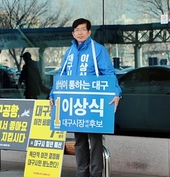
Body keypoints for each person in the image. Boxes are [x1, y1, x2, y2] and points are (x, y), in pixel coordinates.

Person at [49, 18, 122, 177]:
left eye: (83, 29)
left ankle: (96, 173)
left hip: (93, 102)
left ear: (89, 32)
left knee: (95, 141)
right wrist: (53, 95)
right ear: (72, 33)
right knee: (79, 140)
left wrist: (116, 93)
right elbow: (63, 75)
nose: (79, 33)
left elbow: (109, 73)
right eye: (76, 30)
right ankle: (81, 172)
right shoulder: (70, 52)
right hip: (75, 103)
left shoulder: (98, 50)